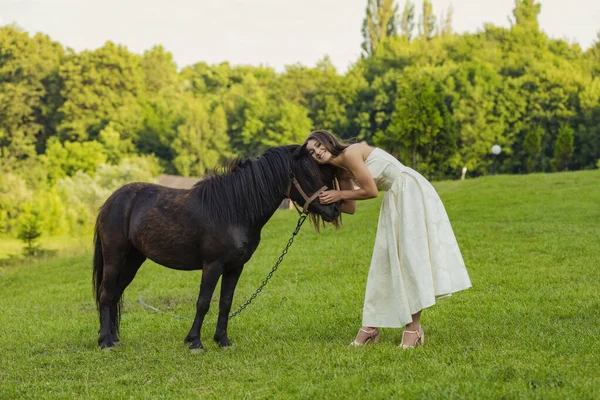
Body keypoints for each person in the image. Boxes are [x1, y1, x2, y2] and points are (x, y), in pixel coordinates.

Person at [303, 130, 472, 348]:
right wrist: (314, 203)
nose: (317, 152)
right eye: (311, 152)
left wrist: (339, 194)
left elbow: (371, 191)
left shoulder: (352, 152)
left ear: (327, 141)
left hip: (409, 191)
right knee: (384, 261)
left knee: (410, 258)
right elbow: (351, 208)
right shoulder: (340, 171)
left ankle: (413, 329)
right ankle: (371, 327)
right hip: (395, 198)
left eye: (318, 145)